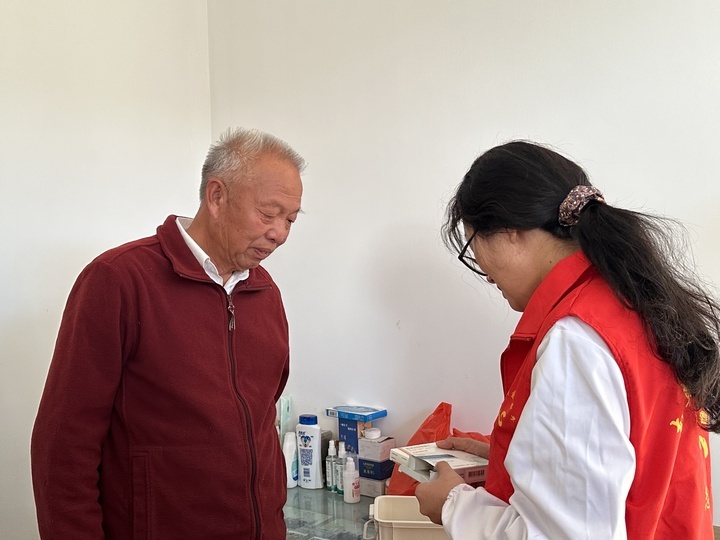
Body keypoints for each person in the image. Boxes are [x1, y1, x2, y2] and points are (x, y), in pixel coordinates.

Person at [415, 141, 720, 539]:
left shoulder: (575, 340)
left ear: (509, 231)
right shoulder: (634, 303)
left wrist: (454, 505)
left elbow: (565, 534)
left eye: (474, 246)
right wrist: (515, 460)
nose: (486, 274)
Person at [31, 128, 305, 539]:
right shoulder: (119, 280)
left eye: (290, 219)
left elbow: (263, 424)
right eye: (268, 214)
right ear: (217, 196)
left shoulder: (264, 293)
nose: (280, 233)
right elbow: (63, 447)